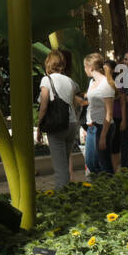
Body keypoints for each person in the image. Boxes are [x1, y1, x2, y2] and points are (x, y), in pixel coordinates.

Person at [35, 50, 81, 189]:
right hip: (71, 123)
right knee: (65, 164)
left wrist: (39, 126)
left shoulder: (46, 80)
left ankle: (61, 199)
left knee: (60, 168)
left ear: (49, 64)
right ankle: (67, 192)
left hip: (56, 125)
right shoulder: (70, 81)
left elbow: (44, 105)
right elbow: (74, 104)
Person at [82, 52, 115, 177]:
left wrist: (103, 136)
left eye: (85, 67)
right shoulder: (92, 82)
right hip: (92, 126)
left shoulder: (106, 85)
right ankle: (100, 187)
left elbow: (109, 113)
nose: (84, 70)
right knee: (90, 162)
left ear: (91, 68)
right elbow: (92, 103)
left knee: (104, 163)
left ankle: (110, 189)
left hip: (103, 127)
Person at [102, 58, 126, 172]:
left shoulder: (118, 83)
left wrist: (124, 119)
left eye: (107, 67)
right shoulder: (101, 82)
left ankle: (114, 169)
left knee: (115, 145)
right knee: (107, 144)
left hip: (116, 116)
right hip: (104, 117)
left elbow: (122, 103)